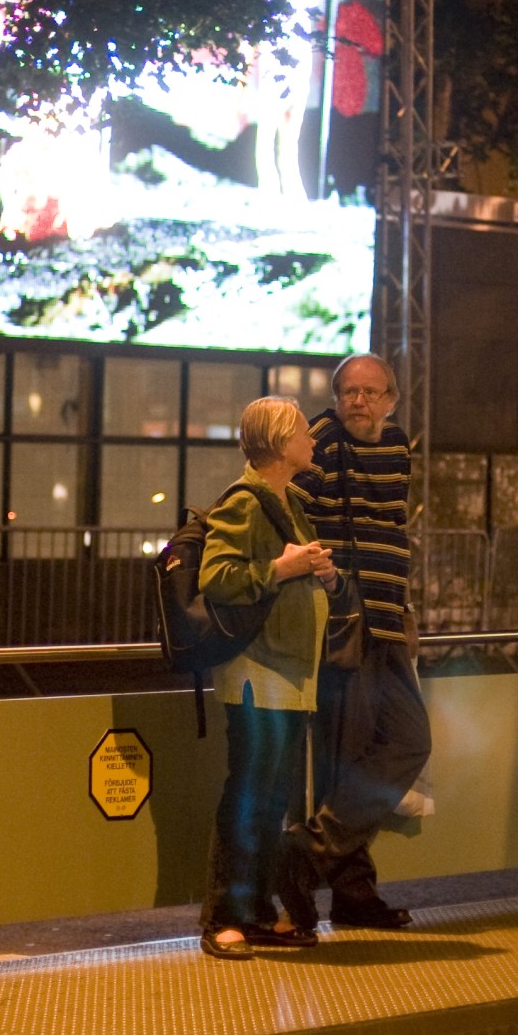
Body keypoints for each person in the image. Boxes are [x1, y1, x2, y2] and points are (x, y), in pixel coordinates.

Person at [282, 353, 431, 932]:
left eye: (370, 392)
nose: (358, 402)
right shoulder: (319, 442)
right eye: (349, 392)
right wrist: (336, 588)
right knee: (348, 760)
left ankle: (309, 852)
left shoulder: (397, 447)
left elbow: (391, 531)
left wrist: (402, 606)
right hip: (346, 625)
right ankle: (352, 893)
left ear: (391, 398)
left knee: (409, 741)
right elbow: (296, 518)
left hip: (390, 621)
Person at [199, 396, 339, 960]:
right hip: (260, 675)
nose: (313, 441)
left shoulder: (285, 500)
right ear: (282, 443)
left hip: (285, 675)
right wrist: (284, 567)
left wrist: (320, 574)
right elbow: (217, 578)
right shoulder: (246, 502)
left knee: (269, 797)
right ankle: (224, 917)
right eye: (305, 432)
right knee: (251, 795)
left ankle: (253, 912)